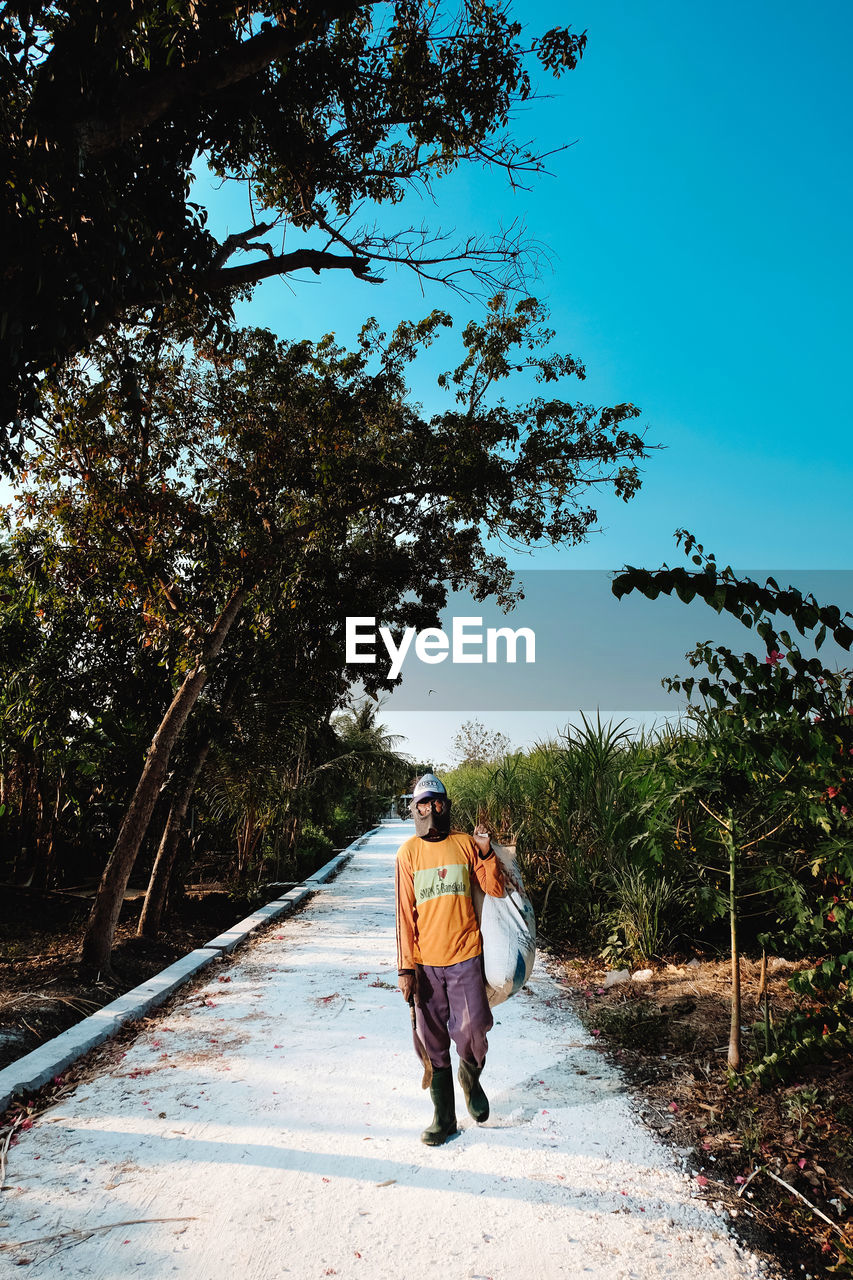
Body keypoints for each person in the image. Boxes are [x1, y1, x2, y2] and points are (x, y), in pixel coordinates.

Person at [395, 772, 504, 1145]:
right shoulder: (407, 853)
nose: (430, 809)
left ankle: (470, 1078)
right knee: (432, 1037)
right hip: (426, 963)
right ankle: (444, 1117)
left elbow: (494, 887)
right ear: (415, 809)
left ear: (445, 805)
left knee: (474, 1030)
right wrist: (406, 968)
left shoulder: (464, 844)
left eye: (436, 802)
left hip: (465, 955)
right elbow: (404, 915)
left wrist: (487, 851)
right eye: (422, 804)